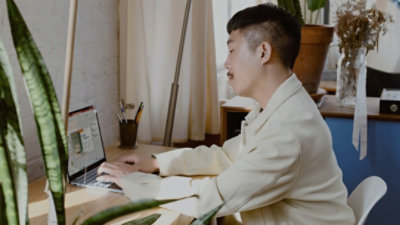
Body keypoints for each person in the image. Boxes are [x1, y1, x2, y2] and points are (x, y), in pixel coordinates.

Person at [98, 3, 356, 225]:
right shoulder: (282, 106)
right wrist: (158, 163)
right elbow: (227, 156)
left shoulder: (288, 133)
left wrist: (134, 182)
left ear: (263, 52)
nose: (227, 63)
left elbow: (210, 200)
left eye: (232, 50)